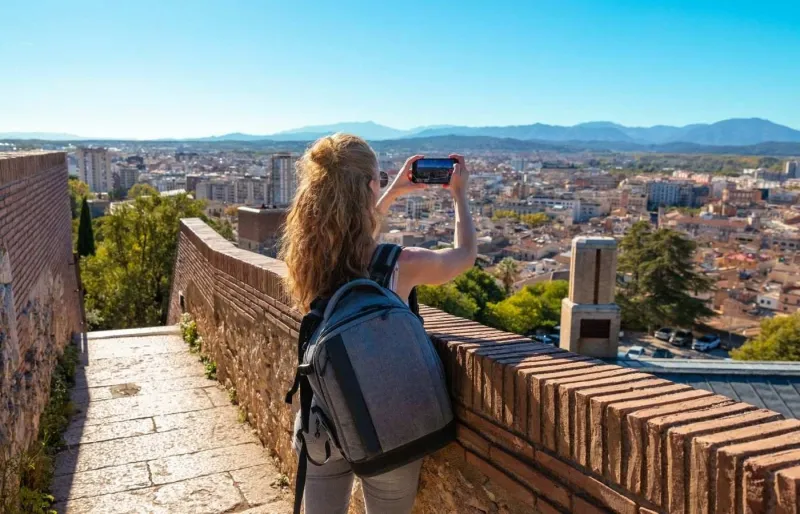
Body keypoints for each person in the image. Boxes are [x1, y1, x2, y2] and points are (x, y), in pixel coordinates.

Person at [279, 133, 477, 514]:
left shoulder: (310, 260)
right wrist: (460, 195)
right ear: (370, 186)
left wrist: (389, 191)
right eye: (379, 180)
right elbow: (464, 256)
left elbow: (349, 237)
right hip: (386, 424)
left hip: (323, 415)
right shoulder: (399, 264)